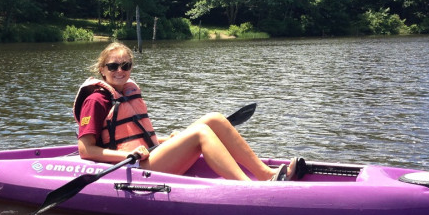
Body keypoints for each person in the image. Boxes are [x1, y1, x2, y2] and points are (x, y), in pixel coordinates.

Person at [73, 42, 301, 181]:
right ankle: (247, 188)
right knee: (201, 132)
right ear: (102, 69)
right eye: (113, 66)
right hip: (133, 166)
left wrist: (166, 140)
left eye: (126, 65)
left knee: (214, 119)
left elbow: (134, 134)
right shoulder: (96, 100)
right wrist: (128, 156)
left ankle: (265, 174)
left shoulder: (126, 92)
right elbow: (86, 150)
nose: (120, 70)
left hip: (150, 154)